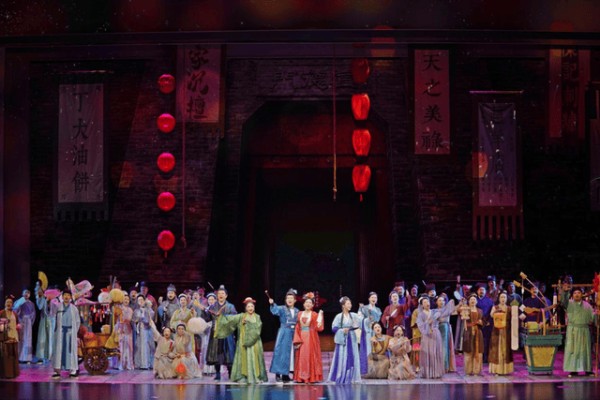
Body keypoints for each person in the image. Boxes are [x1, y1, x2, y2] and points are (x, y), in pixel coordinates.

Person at [214, 297, 267, 383]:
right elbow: (230, 319)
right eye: (248, 306)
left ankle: (255, 376)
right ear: (245, 308)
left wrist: (249, 325)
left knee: (254, 359)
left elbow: (258, 328)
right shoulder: (241, 316)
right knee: (243, 359)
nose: (250, 308)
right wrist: (221, 316)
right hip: (243, 342)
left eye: (252, 306)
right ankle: (243, 376)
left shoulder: (257, 317)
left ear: (254, 307)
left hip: (254, 342)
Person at [560, 285, 596, 377]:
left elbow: (593, 317)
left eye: (579, 293)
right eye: (575, 293)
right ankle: (573, 370)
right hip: (573, 330)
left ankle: (587, 369)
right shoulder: (569, 304)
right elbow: (563, 302)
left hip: (584, 330)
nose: (576, 294)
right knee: (573, 350)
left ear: (582, 294)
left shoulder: (587, 306)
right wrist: (565, 292)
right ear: (572, 295)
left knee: (585, 350)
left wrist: (597, 315)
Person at [416, 295, 455, 379]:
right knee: (428, 353)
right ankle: (428, 372)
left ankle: (436, 372)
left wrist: (452, 303)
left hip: (436, 334)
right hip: (427, 335)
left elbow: (445, 312)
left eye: (428, 302)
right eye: (425, 302)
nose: (427, 303)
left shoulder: (434, 312)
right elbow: (420, 326)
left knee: (435, 352)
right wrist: (427, 324)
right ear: (422, 305)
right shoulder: (420, 315)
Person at [328, 296, 363, 384]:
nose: (350, 305)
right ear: (343, 305)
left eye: (350, 303)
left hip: (352, 338)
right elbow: (334, 328)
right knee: (342, 357)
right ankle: (341, 376)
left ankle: (352, 378)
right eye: (348, 303)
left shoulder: (353, 315)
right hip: (343, 339)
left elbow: (360, 322)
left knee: (353, 356)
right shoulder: (339, 316)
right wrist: (342, 330)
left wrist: (361, 312)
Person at [206, 285, 237, 381]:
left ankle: (230, 372)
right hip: (216, 332)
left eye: (223, 293)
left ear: (226, 295)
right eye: (219, 293)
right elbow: (208, 318)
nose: (221, 295)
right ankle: (218, 373)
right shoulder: (212, 306)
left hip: (227, 333)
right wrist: (206, 313)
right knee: (216, 352)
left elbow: (234, 318)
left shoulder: (230, 306)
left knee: (228, 353)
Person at [293, 292, 324, 383]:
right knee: (302, 357)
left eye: (310, 302)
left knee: (310, 356)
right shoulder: (299, 314)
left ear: (312, 305)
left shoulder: (314, 314)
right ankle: (300, 377)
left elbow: (319, 328)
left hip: (311, 338)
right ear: (303, 304)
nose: (308, 304)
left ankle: (311, 377)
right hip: (301, 337)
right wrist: (297, 339)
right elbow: (297, 327)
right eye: (306, 302)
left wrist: (320, 316)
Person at [269, 288, 299, 382]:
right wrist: (272, 304)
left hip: (294, 333)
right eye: (288, 298)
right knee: (281, 352)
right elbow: (275, 310)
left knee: (290, 353)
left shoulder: (297, 311)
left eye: (291, 298)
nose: (289, 300)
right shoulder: (282, 308)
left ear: (295, 300)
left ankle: (286, 374)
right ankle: (278, 373)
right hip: (284, 332)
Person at [52, 288, 80, 378]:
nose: (66, 297)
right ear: (62, 296)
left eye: (68, 295)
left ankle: (73, 370)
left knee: (70, 351)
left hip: (70, 332)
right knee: (59, 351)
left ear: (71, 297)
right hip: (60, 332)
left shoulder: (74, 309)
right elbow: (52, 317)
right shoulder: (58, 307)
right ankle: (57, 370)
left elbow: (77, 321)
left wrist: (74, 332)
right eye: (65, 295)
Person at [489, 291, 513, 375]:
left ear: (506, 299)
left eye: (504, 297)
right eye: (501, 297)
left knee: (506, 349)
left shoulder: (509, 308)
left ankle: (506, 370)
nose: (503, 299)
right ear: (499, 298)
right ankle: (497, 370)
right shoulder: (495, 307)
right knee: (497, 349)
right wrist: (496, 312)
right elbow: (491, 315)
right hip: (497, 331)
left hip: (506, 331)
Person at [358, 291, 382, 375]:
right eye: (372, 297)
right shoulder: (363, 308)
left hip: (375, 331)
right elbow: (359, 319)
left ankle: (376, 370)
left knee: (376, 349)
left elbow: (378, 320)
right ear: (369, 299)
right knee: (368, 349)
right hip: (367, 331)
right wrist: (367, 320)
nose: (374, 299)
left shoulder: (378, 310)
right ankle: (367, 369)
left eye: (375, 297)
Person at [461, 293, 484, 376]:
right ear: (469, 301)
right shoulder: (466, 309)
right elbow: (462, 317)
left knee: (478, 350)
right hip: (468, 332)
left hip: (478, 332)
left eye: (474, 299)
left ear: (476, 301)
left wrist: (481, 322)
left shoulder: (480, 311)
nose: (473, 301)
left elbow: (483, 321)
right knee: (468, 350)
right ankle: (468, 370)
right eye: (471, 300)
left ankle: (476, 371)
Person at [35, 283, 59, 363]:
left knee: (51, 337)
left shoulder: (55, 300)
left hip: (52, 320)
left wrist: (51, 303)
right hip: (44, 320)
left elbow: (56, 310)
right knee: (43, 337)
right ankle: (42, 355)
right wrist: (46, 301)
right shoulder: (43, 299)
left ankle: (51, 355)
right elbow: (40, 307)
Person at [132, 294, 155, 370]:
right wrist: (136, 322)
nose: (140, 301)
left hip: (147, 329)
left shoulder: (148, 310)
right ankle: (141, 363)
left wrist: (143, 318)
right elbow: (133, 320)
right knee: (139, 346)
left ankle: (148, 363)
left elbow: (150, 318)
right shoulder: (136, 311)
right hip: (140, 330)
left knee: (147, 346)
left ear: (144, 300)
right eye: (139, 300)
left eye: (142, 300)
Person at [0, 296, 20, 378]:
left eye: (10, 302)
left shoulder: (14, 313)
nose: (9, 304)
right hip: (5, 337)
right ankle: (6, 374)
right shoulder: (1, 313)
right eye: (7, 302)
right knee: (6, 356)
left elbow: (17, 323)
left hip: (14, 337)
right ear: (5, 303)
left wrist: (18, 326)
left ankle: (13, 373)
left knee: (13, 355)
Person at [14, 289, 36, 363]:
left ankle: (27, 357)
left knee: (28, 339)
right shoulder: (19, 301)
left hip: (28, 322)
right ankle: (19, 356)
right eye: (25, 292)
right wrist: (19, 320)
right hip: (21, 321)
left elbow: (33, 314)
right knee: (21, 338)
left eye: (28, 293)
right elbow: (15, 310)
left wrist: (30, 321)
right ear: (22, 293)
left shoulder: (31, 303)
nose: (26, 294)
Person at [436, 294, 456, 373]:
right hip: (437, 329)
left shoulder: (447, 310)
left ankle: (444, 366)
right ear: (436, 302)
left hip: (444, 328)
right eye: (439, 300)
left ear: (445, 302)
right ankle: (437, 366)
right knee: (437, 347)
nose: (441, 302)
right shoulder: (434, 310)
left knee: (444, 346)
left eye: (443, 300)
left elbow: (455, 308)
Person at [116, 291, 134, 370]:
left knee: (129, 347)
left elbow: (129, 319)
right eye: (125, 299)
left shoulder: (130, 309)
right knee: (121, 347)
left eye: (127, 299)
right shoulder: (118, 308)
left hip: (128, 329)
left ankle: (129, 364)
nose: (126, 301)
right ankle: (121, 364)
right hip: (120, 329)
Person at [475, 284, 493, 363]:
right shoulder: (474, 300)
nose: (481, 291)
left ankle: (485, 357)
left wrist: (488, 321)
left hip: (486, 324)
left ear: (485, 291)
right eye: (480, 290)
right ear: (477, 291)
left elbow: (492, 312)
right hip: (476, 324)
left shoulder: (489, 301)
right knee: (476, 341)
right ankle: (477, 357)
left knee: (486, 341)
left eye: (483, 290)